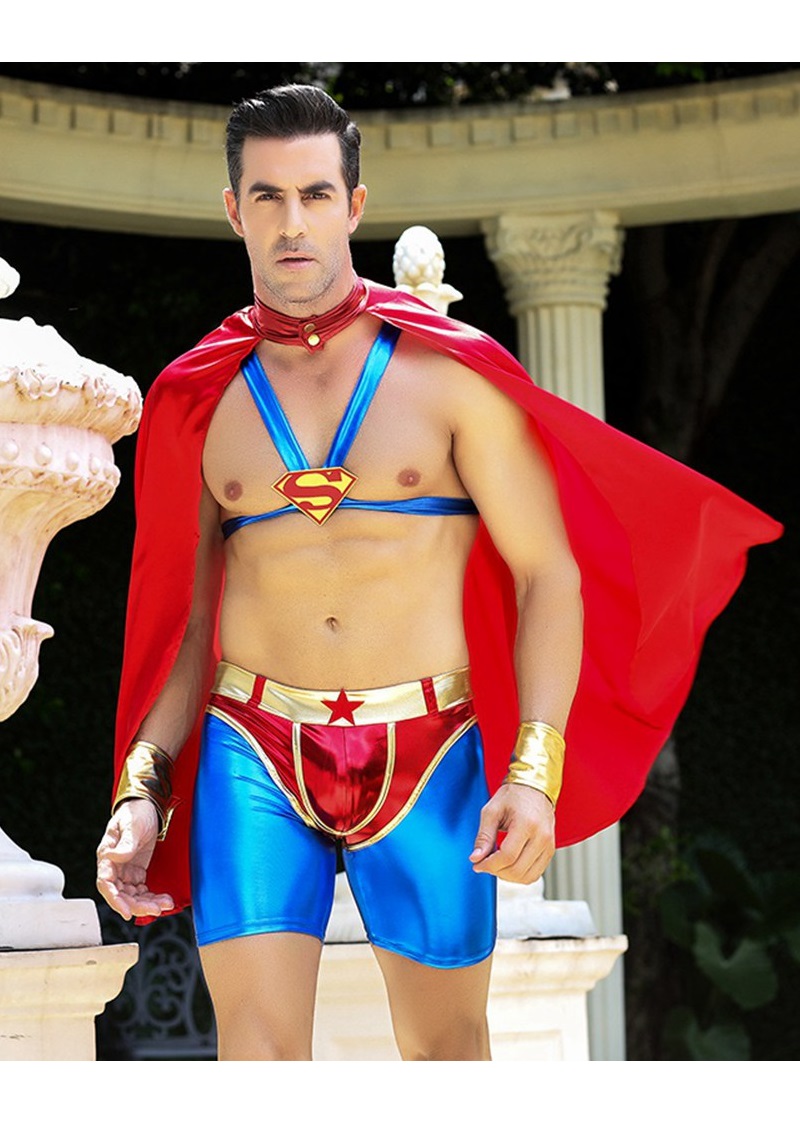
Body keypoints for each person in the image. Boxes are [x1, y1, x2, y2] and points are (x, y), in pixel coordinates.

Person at [96, 85, 781, 1061]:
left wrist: (533, 773)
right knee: (254, 1055)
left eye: (315, 195)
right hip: (253, 741)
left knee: (448, 1050)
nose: (293, 223)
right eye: (268, 197)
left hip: (428, 746)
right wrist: (142, 787)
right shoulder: (195, 397)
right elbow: (184, 625)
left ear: (354, 205)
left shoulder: (452, 374)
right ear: (233, 209)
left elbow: (547, 575)